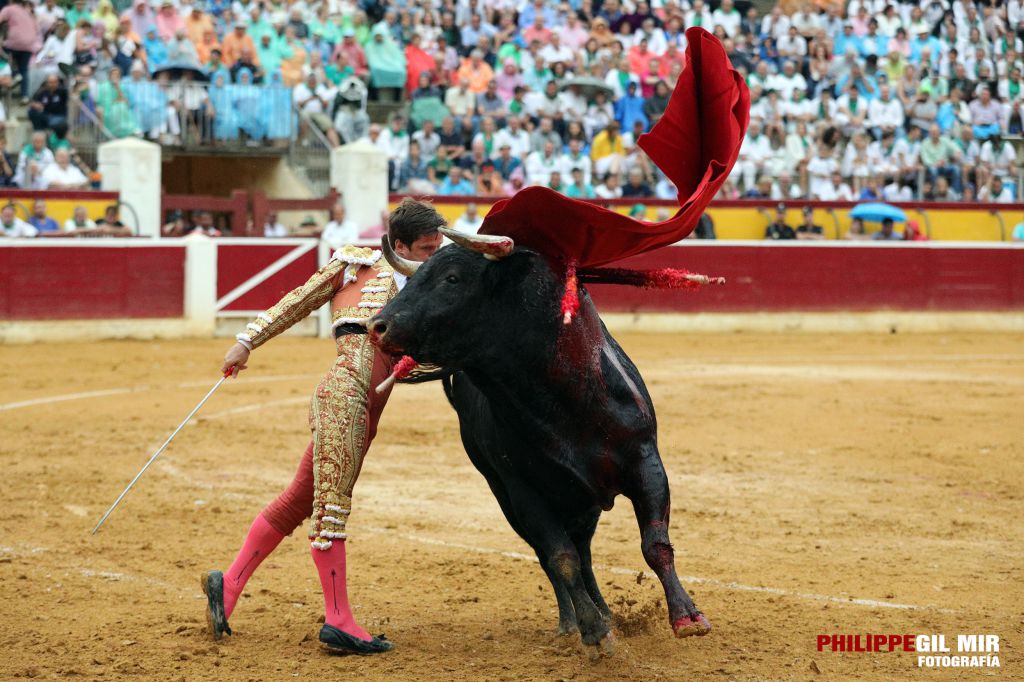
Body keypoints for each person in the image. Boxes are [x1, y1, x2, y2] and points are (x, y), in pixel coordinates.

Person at [204, 199, 445, 655]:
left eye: (438, 248)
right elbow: (298, 300)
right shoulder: (357, 267)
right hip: (343, 397)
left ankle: (228, 584)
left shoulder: (432, 287)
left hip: (367, 411)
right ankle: (339, 621)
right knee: (331, 509)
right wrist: (246, 341)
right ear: (399, 246)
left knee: (298, 499)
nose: (434, 257)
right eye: (426, 249)